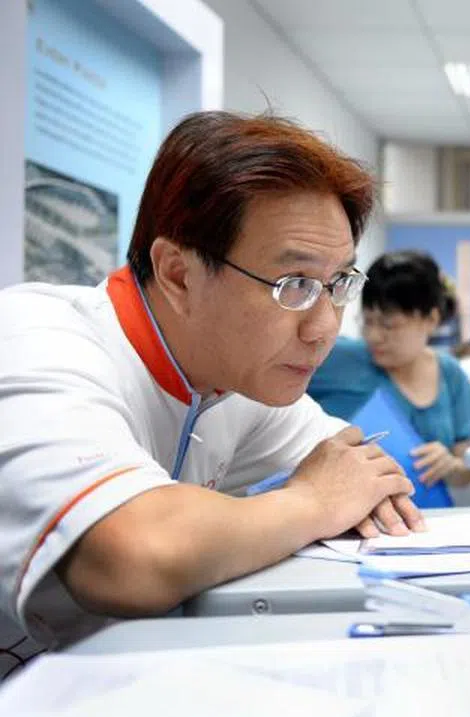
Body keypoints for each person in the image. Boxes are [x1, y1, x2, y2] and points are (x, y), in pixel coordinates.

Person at [0, 112, 422, 667]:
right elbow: (135, 556)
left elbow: (354, 464)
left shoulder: (236, 378)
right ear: (178, 274)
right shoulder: (35, 339)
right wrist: (311, 501)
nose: (324, 327)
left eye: (338, 283)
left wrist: (339, 491)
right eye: (294, 285)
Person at [307, 251, 470, 500]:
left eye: (389, 325)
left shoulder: (451, 375)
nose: (374, 336)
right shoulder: (336, 358)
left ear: (431, 319)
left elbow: (467, 471)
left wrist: (451, 466)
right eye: (368, 322)